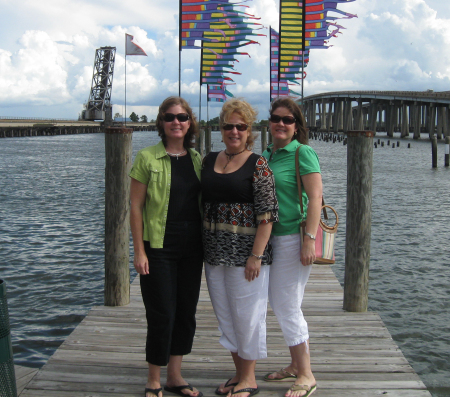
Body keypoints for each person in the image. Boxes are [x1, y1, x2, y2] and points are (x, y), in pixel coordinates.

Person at [201, 98, 279, 397]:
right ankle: (238, 372)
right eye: (229, 126)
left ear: (250, 131)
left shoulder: (258, 164)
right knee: (225, 315)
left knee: (247, 315)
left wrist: (256, 256)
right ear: (221, 129)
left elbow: (268, 214)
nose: (234, 131)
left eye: (241, 126)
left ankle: (249, 377)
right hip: (213, 253)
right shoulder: (209, 160)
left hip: (246, 255)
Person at [129, 96, 204, 397]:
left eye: (183, 117)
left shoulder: (198, 159)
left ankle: (175, 376)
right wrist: (139, 251)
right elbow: (135, 207)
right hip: (158, 245)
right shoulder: (147, 158)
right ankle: (153, 380)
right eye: (171, 117)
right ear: (161, 122)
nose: (177, 122)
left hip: (193, 247)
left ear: (190, 123)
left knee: (186, 312)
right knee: (162, 313)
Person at [262, 97, 322, 397]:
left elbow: (315, 199)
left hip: (292, 238)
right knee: (284, 303)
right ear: (269, 122)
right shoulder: (267, 153)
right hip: (269, 238)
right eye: (276, 118)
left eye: (288, 120)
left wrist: (309, 240)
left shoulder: (303, 153)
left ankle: (306, 373)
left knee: (286, 305)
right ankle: (295, 364)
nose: (281, 124)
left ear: (296, 126)